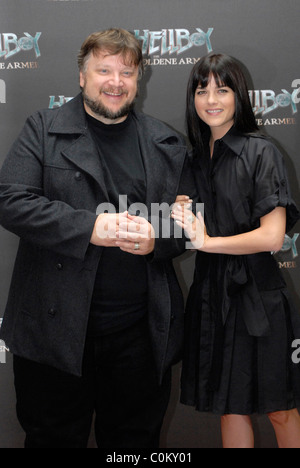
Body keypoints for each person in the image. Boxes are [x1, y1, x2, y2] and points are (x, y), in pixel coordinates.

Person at [0, 28, 194, 448]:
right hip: (55, 336)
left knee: (134, 446)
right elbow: (11, 200)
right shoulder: (43, 129)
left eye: (127, 71)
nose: (116, 81)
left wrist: (157, 239)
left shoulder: (167, 142)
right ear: (82, 76)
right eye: (103, 69)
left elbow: (187, 223)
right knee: (52, 439)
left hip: (139, 338)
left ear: (138, 79)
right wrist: (91, 227)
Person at [172, 53, 300, 448]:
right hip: (210, 294)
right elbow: (183, 219)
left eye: (222, 89)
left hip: (257, 295)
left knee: (279, 407)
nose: (211, 98)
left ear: (238, 96)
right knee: (230, 406)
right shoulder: (193, 158)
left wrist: (209, 242)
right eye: (202, 89)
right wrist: (179, 211)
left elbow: (272, 236)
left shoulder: (262, 152)